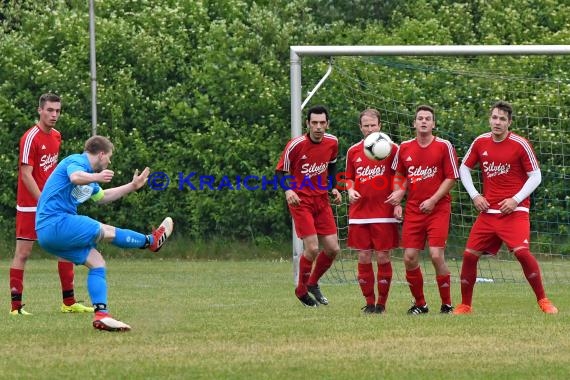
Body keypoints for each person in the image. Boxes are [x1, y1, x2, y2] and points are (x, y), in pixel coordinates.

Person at [35, 135, 174, 331]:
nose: (109, 161)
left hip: (48, 234)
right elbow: (75, 177)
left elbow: (102, 197)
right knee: (106, 230)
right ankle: (151, 241)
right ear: (100, 154)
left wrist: (132, 186)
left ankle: (102, 315)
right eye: (108, 157)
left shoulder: (90, 179)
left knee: (97, 262)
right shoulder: (77, 161)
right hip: (55, 222)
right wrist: (97, 177)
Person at [453, 101, 558, 315]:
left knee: (521, 252)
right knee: (469, 255)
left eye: (502, 119)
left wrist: (515, 199)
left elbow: (536, 176)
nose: (497, 122)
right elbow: (463, 168)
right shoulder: (480, 142)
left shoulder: (520, 144)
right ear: (489, 119)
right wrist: (475, 195)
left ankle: (543, 300)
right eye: (494, 117)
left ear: (509, 122)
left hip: (515, 211)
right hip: (488, 212)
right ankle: (465, 305)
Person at [11, 93, 93, 315]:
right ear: (40, 110)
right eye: (50, 110)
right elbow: (26, 174)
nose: (54, 114)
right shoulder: (30, 137)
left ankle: (68, 303)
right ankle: (15, 307)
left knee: (64, 248)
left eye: (57, 111)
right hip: (30, 204)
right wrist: (43, 200)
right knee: (23, 252)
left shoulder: (56, 136)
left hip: (53, 204)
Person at [386, 105, 458, 314]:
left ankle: (446, 304)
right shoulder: (405, 148)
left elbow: (451, 177)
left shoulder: (444, 146)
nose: (424, 121)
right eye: (420, 118)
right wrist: (398, 198)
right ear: (414, 123)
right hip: (414, 210)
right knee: (409, 257)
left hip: (438, 208)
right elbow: (399, 176)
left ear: (434, 124)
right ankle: (420, 304)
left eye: (428, 118)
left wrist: (434, 199)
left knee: (436, 255)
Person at [275, 105, 342, 307]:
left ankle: (312, 283)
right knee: (312, 248)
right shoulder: (295, 145)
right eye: (314, 123)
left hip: (321, 201)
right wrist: (288, 190)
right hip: (301, 201)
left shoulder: (332, 142)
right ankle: (301, 290)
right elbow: (279, 173)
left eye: (322, 123)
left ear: (327, 124)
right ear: (307, 124)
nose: (318, 127)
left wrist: (334, 188)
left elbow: (331, 167)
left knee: (332, 249)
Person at [345, 109, 400, 314]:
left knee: (383, 257)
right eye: (365, 126)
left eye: (373, 125)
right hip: (360, 213)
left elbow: (401, 176)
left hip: (384, 212)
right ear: (360, 128)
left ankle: (381, 305)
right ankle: (369, 303)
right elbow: (349, 177)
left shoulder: (393, 149)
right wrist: (350, 190)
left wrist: (398, 200)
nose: (369, 129)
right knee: (363, 257)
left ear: (380, 125)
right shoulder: (353, 151)